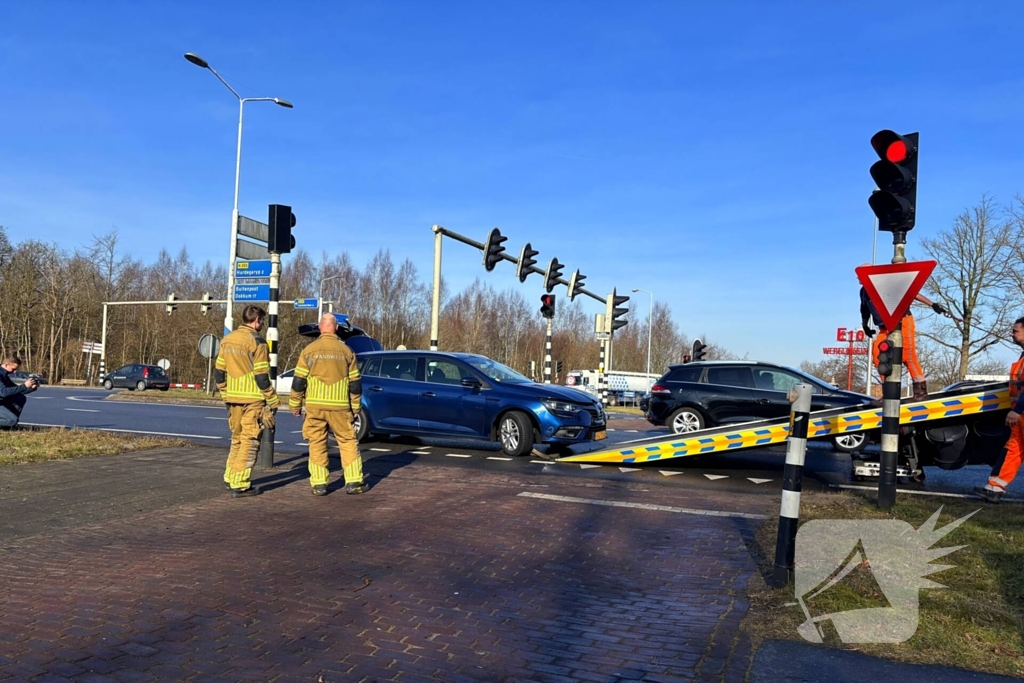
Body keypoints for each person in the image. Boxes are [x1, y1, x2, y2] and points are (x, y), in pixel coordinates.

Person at [289, 313, 367, 496]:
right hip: (340, 406)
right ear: (337, 328)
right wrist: (356, 407)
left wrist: (295, 405)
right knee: (348, 442)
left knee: (316, 443)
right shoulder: (347, 351)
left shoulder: (309, 350)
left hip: (315, 406)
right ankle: (354, 482)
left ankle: (319, 484)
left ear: (319, 327)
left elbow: (299, 380)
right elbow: (355, 383)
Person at [214, 305, 279, 498]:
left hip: (233, 399)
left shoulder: (227, 339)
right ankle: (241, 483)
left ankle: (230, 476)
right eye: (262, 321)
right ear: (257, 320)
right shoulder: (257, 342)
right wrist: (272, 398)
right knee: (250, 441)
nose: (262, 325)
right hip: (253, 400)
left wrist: (226, 393)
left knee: (236, 439)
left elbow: (219, 372)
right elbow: (261, 376)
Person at [860, 284, 952, 400]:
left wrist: (932, 305)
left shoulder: (883, 283)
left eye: (860, 274)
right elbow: (864, 309)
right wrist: (865, 325)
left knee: (907, 355)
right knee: (878, 356)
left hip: (903, 320)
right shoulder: (863, 291)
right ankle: (888, 393)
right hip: (885, 327)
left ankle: (921, 392)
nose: (858, 277)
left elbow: (910, 293)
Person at [974, 317, 1024, 504]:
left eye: (1015, 331)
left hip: (1021, 412)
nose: (1012, 334)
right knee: (1013, 450)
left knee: (1014, 450)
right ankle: (994, 488)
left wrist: (1017, 410)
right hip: (1020, 415)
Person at [0, 356, 38, 429]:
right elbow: (3, 392)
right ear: (6, 365)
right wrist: (24, 386)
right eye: (13, 369)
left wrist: (31, 388)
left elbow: (15, 390)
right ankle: (8, 424)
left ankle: (6, 427)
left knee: (20, 398)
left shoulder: (4, 375)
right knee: (12, 420)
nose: (14, 371)